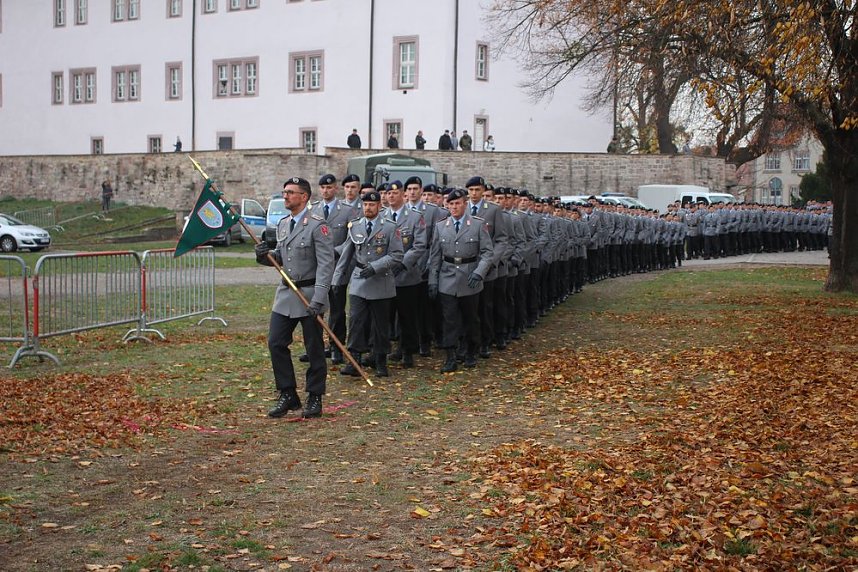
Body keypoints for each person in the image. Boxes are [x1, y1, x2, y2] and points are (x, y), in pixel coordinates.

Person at [254, 177, 334, 419]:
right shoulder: (283, 224)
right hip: (287, 294)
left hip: (310, 294)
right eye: (284, 192)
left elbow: (326, 265)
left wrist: (319, 298)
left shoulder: (318, 226)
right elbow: (281, 257)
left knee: (314, 348)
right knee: (276, 343)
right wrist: (264, 256)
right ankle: (288, 393)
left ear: (304, 196)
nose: (285, 196)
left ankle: (315, 396)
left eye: (290, 192)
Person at [332, 189, 404, 378]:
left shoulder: (389, 227)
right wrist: (337, 279)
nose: (368, 208)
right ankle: (354, 360)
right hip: (359, 279)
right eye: (365, 204)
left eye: (372, 204)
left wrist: (376, 267)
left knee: (380, 324)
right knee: (356, 320)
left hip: (381, 280)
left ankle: (380, 360)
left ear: (379, 206)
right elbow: (347, 254)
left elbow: (397, 255)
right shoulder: (355, 226)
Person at [428, 188, 494, 372]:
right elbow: (435, 256)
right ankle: (450, 356)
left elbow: (487, 253)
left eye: (457, 203)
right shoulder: (441, 226)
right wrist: (433, 280)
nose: (454, 207)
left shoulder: (477, 224)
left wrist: (479, 272)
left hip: (469, 277)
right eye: (451, 204)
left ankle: (471, 351)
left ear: (465, 204)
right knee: (449, 319)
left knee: (470, 318)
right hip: (447, 278)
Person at [312, 174, 360, 365]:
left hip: (337, 265)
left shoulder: (347, 211)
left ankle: (336, 347)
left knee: (337, 310)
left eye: (329, 187)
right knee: (315, 307)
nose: (326, 191)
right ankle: (315, 346)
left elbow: (351, 239)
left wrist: (334, 251)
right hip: (316, 267)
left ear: (336, 189)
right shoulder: (313, 209)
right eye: (323, 188)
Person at [384, 179, 428, 368]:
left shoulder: (415, 217)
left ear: (403, 194)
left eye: (395, 193)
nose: (391, 196)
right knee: (385, 316)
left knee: (407, 316)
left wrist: (402, 264)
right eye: (389, 193)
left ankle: (408, 351)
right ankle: (386, 349)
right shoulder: (382, 215)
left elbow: (419, 245)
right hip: (385, 275)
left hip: (407, 275)